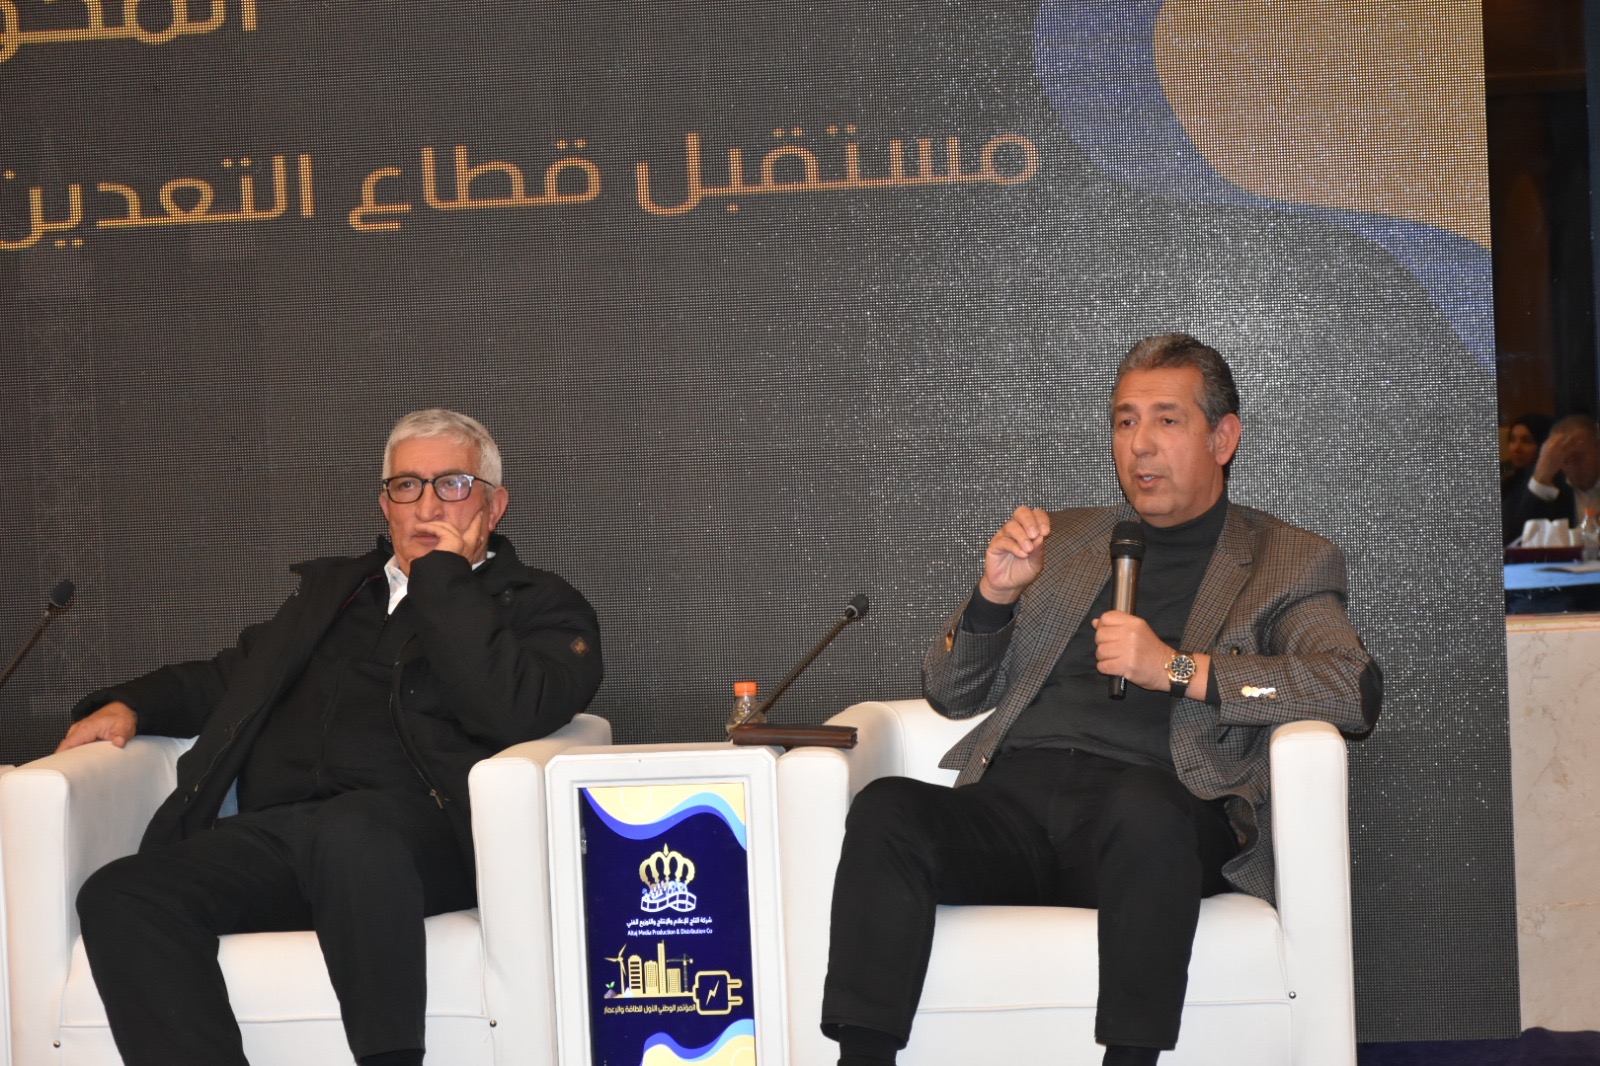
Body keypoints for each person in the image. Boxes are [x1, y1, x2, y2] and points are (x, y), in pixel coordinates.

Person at [819, 334, 1381, 1066]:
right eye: (1124, 421)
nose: (1140, 445)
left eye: (1167, 420)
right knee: (888, 809)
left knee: (1144, 809)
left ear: (1223, 437)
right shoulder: (1067, 540)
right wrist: (994, 597)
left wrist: (1177, 669)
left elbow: (1351, 688)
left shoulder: (1285, 559)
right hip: (1016, 808)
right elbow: (948, 693)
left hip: (1159, 813)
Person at [60, 409, 605, 1066]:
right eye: (407, 486)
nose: (427, 503)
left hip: (426, 839)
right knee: (122, 892)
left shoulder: (538, 604)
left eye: (452, 484)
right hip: (285, 833)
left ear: (494, 505)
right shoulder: (337, 595)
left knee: (352, 830)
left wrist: (443, 579)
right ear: (385, 505)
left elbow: (514, 709)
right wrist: (130, 705)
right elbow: (232, 676)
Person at [1503, 413, 1600, 543]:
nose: (1572, 466)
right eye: (1564, 460)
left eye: (1578, 458)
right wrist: (1541, 479)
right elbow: (1517, 540)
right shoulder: (1547, 483)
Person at [1501, 413, 1552, 544]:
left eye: (1526, 441)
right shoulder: (1508, 483)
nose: (1516, 448)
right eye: (1512, 440)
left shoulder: (1552, 483)